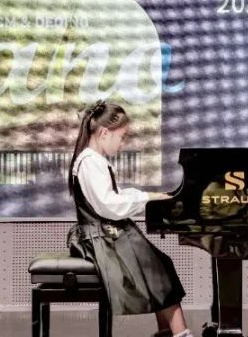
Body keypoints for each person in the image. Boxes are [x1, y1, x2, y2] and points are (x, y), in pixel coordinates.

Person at [67, 99, 192, 337]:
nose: (123, 143)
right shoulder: (90, 162)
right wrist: (145, 199)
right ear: (104, 133)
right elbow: (109, 205)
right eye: (122, 137)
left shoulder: (93, 160)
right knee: (158, 269)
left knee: (160, 265)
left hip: (105, 234)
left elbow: (111, 198)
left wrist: (147, 196)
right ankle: (180, 332)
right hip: (103, 238)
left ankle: (167, 331)